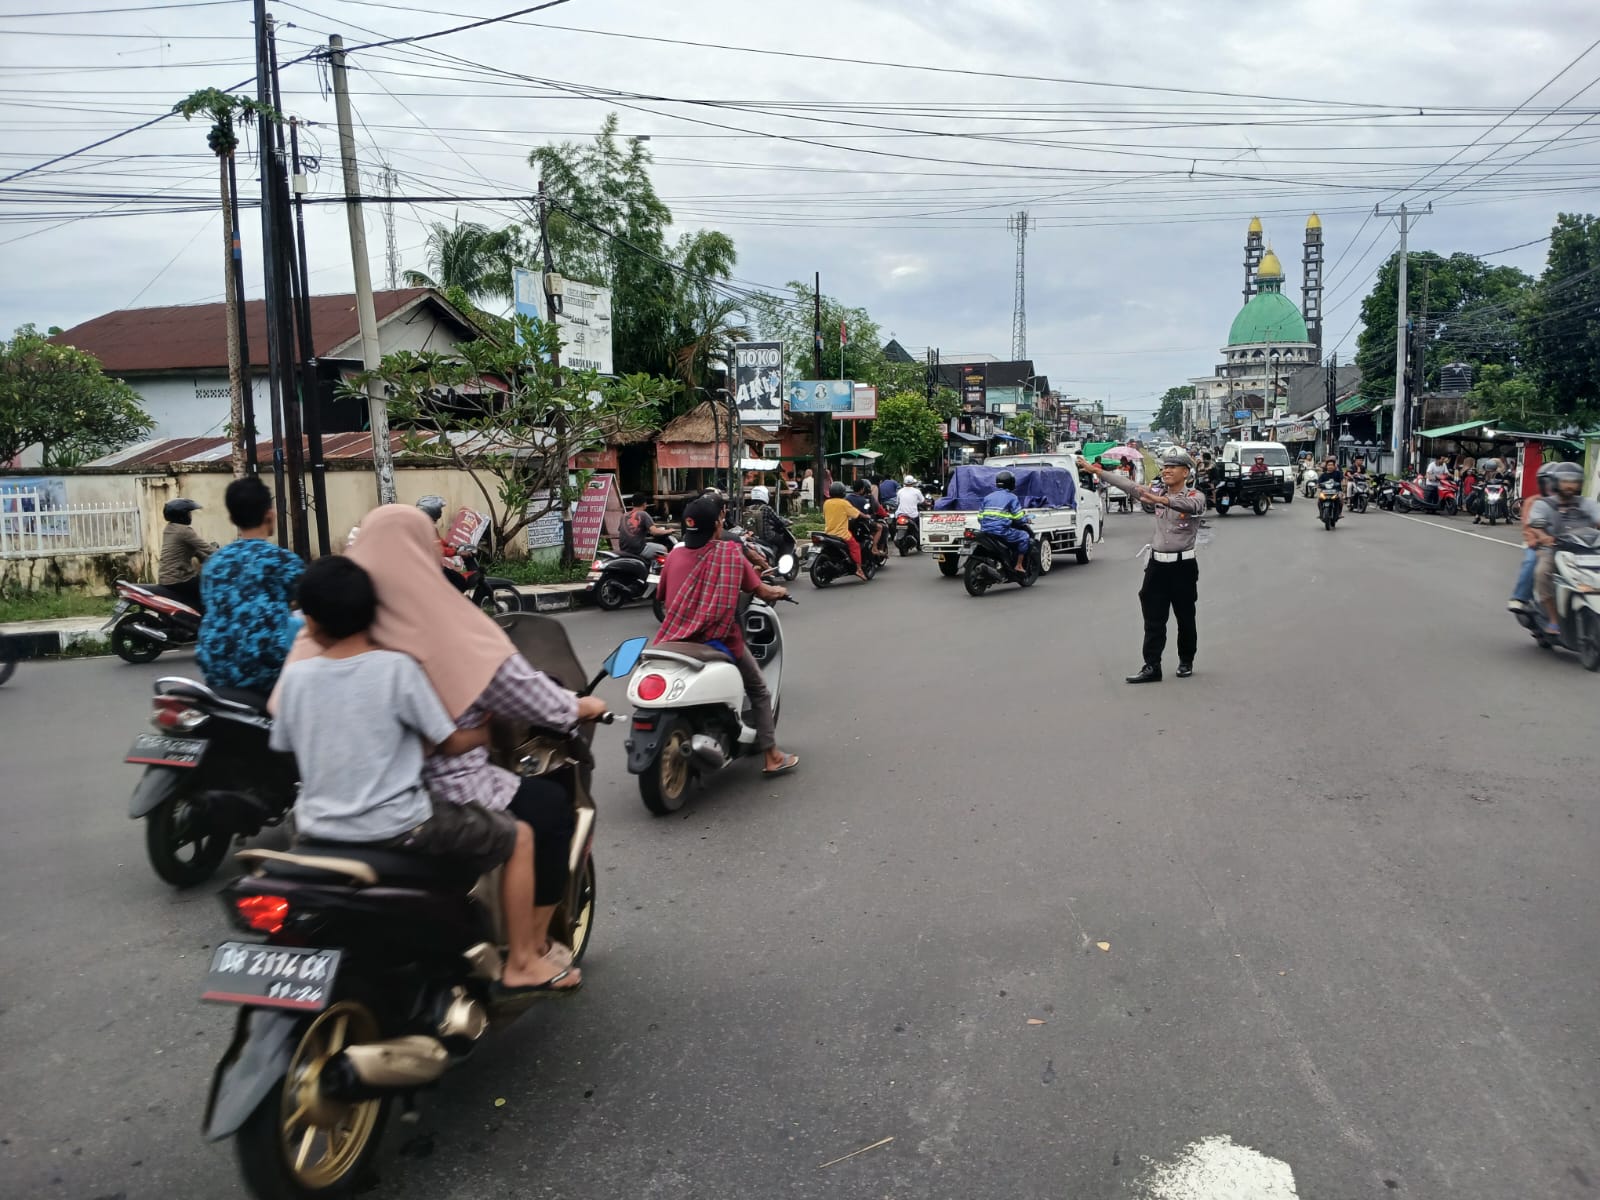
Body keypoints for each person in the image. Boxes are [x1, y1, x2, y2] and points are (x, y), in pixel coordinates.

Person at [316, 504, 610, 993]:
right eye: (430, 537)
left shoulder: (326, 631)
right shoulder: (445, 624)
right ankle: (526, 955)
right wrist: (580, 707)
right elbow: (519, 695)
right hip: (440, 794)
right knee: (548, 810)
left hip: (336, 795)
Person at [655, 495, 798, 776]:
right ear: (718, 525)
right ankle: (772, 756)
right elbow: (764, 592)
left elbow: (662, 597)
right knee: (758, 689)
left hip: (675, 640)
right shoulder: (729, 556)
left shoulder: (673, 555)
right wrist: (780, 591)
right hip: (718, 640)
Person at [1079, 449, 1204, 682]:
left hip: (1183, 567)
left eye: (1172, 467)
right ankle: (1151, 666)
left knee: (1185, 616)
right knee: (1153, 617)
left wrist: (1159, 499)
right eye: (1164, 467)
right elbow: (1127, 485)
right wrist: (1096, 470)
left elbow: (1188, 506)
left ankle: (1186, 660)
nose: (1166, 470)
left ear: (1185, 472)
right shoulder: (1155, 491)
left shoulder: (1196, 496)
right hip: (1157, 566)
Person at [196, 475, 305, 695]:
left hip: (215, 669)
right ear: (269, 514)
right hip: (267, 673)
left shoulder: (214, 564)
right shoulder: (282, 561)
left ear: (232, 518)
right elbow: (314, 602)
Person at [1528, 462, 1600, 635]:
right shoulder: (1544, 504)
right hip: (1555, 550)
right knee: (1542, 573)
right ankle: (1553, 619)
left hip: (1587, 550)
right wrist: (1544, 537)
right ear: (1555, 482)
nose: (1570, 485)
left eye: (1574, 481)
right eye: (1565, 481)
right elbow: (1536, 525)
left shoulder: (1587, 503)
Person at [1509, 462, 1557, 614]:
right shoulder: (1533, 501)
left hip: (1563, 545)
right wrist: (1535, 540)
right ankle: (1520, 597)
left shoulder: (1566, 503)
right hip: (1538, 544)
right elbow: (1528, 525)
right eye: (1548, 482)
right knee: (1531, 561)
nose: (1551, 486)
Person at [158, 497, 216, 610]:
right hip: (179, 578)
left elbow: (195, 550)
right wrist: (227, 554)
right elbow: (207, 548)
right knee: (210, 589)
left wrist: (205, 558)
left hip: (166, 578)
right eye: (189, 513)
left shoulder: (169, 528)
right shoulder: (184, 531)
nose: (190, 516)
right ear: (182, 515)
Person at [978, 470, 1032, 574]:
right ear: (1011, 483)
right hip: (1001, 532)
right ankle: (1019, 565)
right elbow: (1019, 517)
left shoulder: (987, 497)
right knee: (1024, 536)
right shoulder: (1012, 497)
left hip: (985, 531)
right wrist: (1026, 519)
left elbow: (980, 518)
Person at [823, 481, 867, 580]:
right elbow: (857, 514)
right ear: (843, 492)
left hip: (828, 533)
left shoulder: (826, 503)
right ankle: (859, 569)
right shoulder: (844, 503)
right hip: (841, 533)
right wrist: (866, 516)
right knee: (855, 547)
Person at [620, 493, 672, 564]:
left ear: (632, 504)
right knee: (664, 549)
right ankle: (659, 571)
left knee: (649, 545)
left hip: (624, 549)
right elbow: (655, 532)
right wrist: (669, 531)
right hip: (638, 549)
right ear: (645, 504)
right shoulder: (643, 514)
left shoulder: (624, 516)